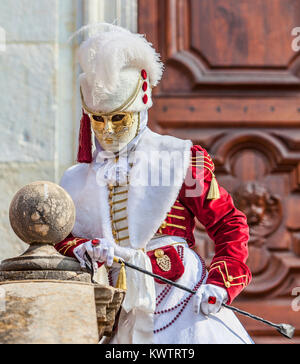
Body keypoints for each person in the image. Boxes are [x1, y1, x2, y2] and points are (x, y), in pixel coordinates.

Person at [55, 23, 253, 344]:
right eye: (98, 119)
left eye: (118, 118)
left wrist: (220, 283)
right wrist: (85, 249)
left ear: (141, 104)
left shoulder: (180, 159)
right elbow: (60, 240)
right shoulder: (76, 179)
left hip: (184, 302)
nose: (107, 131)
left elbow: (229, 223)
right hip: (120, 309)